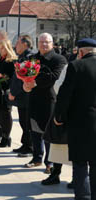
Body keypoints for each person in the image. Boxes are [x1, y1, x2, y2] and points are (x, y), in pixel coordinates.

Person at [54, 38, 96, 200]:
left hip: (80, 123)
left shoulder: (76, 66)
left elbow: (64, 96)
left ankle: (83, 196)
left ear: (80, 52)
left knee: (80, 163)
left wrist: (59, 117)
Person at [23, 33, 67, 174]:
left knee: (48, 133)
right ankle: (37, 158)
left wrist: (34, 82)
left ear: (52, 43)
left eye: (47, 42)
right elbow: (24, 75)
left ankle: (50, 163)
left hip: (50, 100)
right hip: (34, 99)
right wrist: (25, 85)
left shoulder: (59, 59)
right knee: (34, 130)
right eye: (41, 42)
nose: (44, 44)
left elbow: (54, 77)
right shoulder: (32, 58)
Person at [10, 34, 34, 156]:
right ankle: (25, 144)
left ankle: (30, 147)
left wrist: (14, 92)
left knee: (26, 122)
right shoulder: (22, 57)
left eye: (18, 43)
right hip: (21, 95)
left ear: (25, 44)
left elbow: (24, 79)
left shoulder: (29, 58)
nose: (15, 46)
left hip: (25, 95)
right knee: (23, 121)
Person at [0, 39, 17, 148]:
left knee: (6, 114)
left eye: (3, 48)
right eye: (0, 48)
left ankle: (7, 137)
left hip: (7, 90)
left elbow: (13, 77)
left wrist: (1, 79)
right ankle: (3, 136)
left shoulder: (11, 61)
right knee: (1, 114)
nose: (1, 50)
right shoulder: (0, 59)